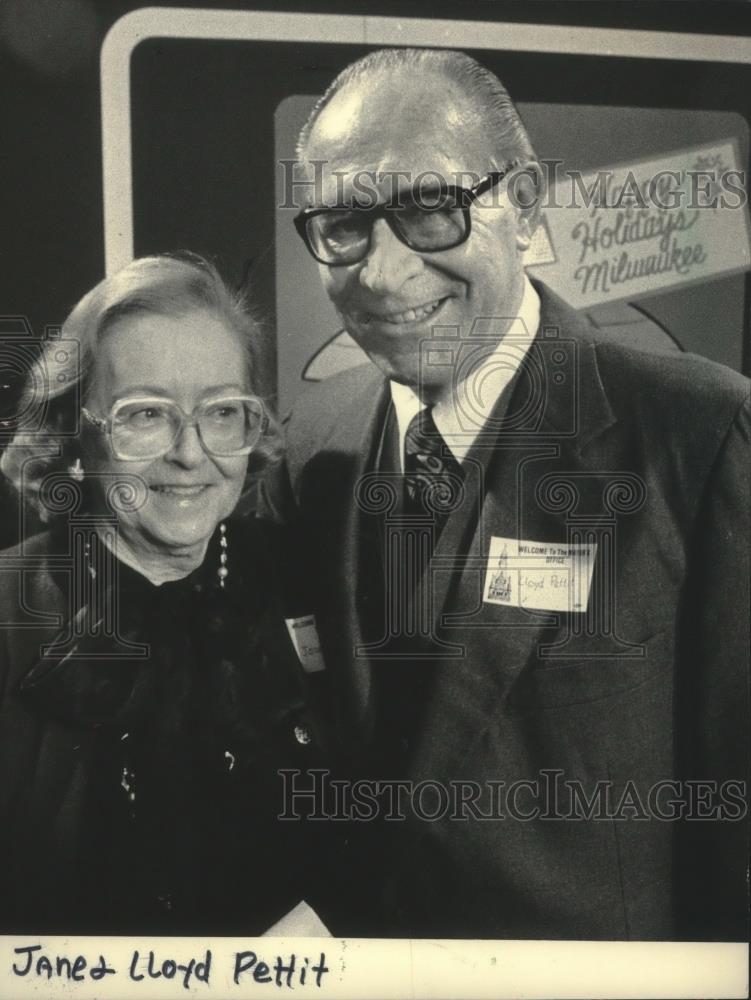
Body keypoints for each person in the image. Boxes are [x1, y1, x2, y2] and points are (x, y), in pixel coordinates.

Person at [262, 48, 750, 940]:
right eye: (341, 225)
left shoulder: (699, 435)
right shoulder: (311, 443)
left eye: (428, 210)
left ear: (522, 206)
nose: (380, 271)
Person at [0, 252, 330, 935]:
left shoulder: (316, 591)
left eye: (222, 413)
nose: (190, 452)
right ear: (73, 436)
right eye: (145, 414)